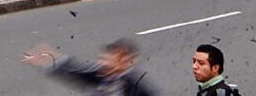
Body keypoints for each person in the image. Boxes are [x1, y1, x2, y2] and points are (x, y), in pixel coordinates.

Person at [23, 38, 157, 95]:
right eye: (106, 57)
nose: (105, 62)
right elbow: (76, 69)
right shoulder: (101, 75)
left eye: (115, 58)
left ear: (127, 61)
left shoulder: (136, 86)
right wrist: (52, 58)